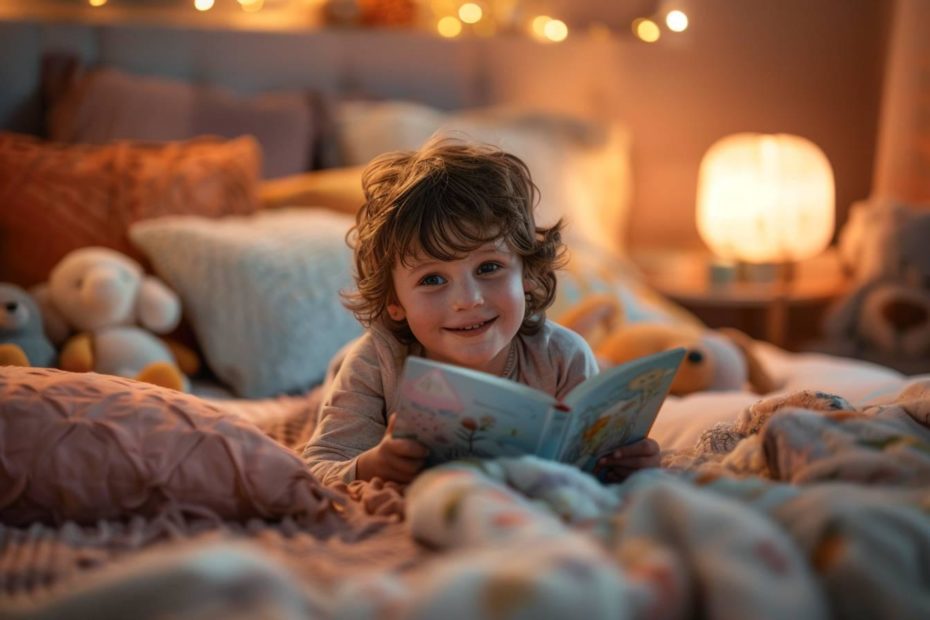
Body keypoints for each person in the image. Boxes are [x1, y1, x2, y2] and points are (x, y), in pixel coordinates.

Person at [302, 137, 659, 485]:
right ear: (395, 303)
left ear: (528, 275)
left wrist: (626, 465)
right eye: (432, 279)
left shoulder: (564, 358)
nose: (468, 300)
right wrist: (372, 465)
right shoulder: (375, 363)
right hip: (350, 369)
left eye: (488, 268)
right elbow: (318, 467)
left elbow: (594, 463)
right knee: (332, 380)